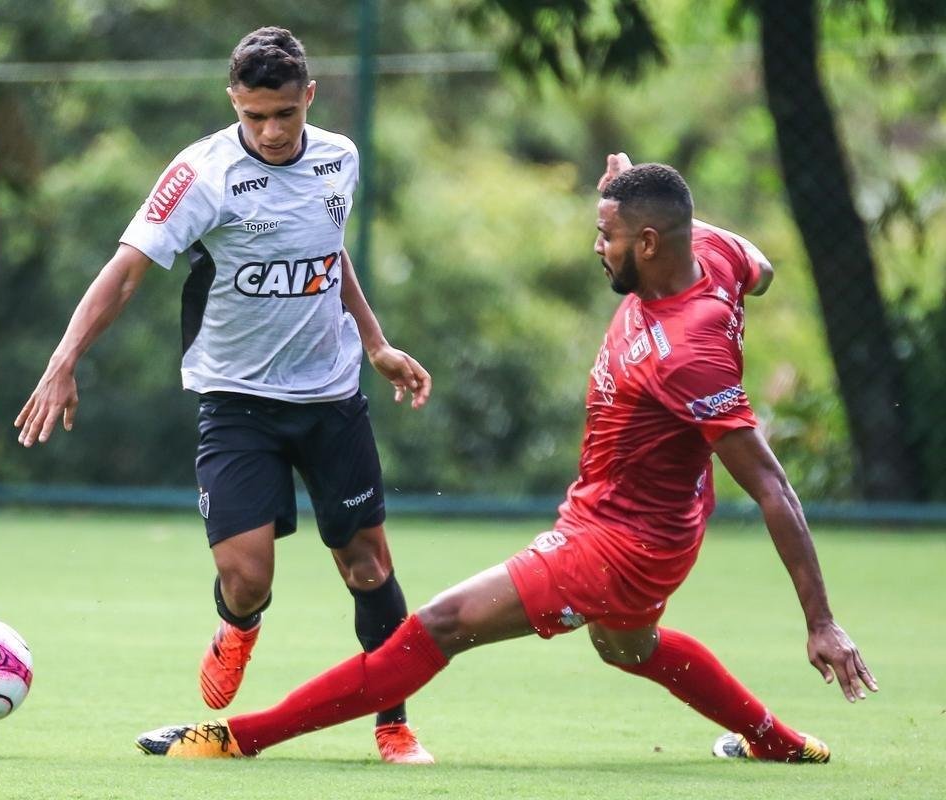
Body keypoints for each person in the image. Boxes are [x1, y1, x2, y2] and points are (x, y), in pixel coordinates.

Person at [134, 154, 879, 764]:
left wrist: (822, 622)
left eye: (608, 234)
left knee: (442, 624)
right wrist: (634, 196)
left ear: (649, 244)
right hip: (640, 519)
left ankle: (241, 739)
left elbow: (773, 487)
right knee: (628, 646)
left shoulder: (689, 352)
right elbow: (764, 267)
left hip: (621, 542)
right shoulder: (710, 252)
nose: (598, 246)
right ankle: (777, 743)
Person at [14, 27, 435, 764]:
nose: (270, 131)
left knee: (367, 566)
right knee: (245, 578)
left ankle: (393, 724)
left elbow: (328, 255)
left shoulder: (340, 158)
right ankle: (238, 628)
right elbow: (124, 273)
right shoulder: (200, 175)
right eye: (253, 116)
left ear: (309, 96)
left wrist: (375, 344)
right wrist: (63, 359)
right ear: (232, 103)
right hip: (236, 400)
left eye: (284, 114)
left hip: (332, 399)